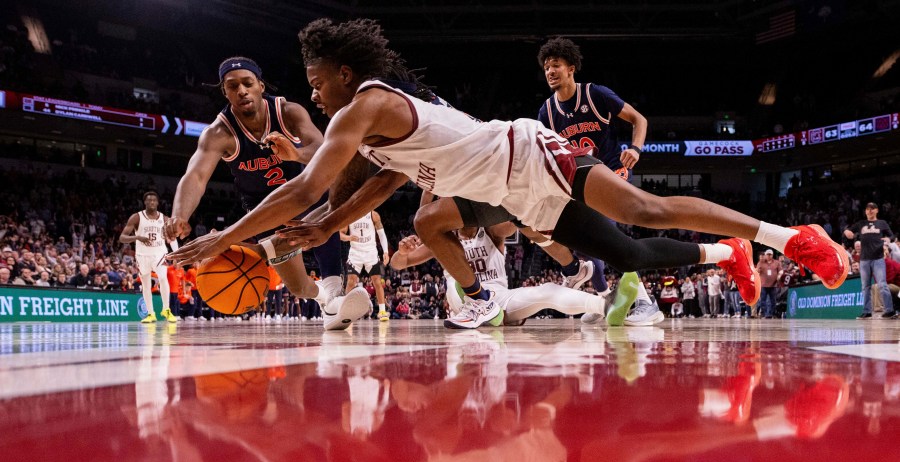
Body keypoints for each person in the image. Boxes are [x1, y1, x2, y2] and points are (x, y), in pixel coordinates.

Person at [168, 17, 849, 329]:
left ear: (344, 74)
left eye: (317, 82)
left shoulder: (365, 102)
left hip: (527, 154)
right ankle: (724, 252)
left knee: (643, 209)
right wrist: (313, 232)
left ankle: (790, 236)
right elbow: (377, 185)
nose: (312, 94)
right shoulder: (368, 131)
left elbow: (308, 185)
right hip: (510, 191)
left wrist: (220, 237)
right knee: (630, 248)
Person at [164, 56, 370, 331]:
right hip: (265, 211)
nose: (241, 91)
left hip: (305, 193)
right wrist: (180, 215)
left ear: (260, 85)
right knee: (298, 287)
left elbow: (325, 151)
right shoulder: (218, 133)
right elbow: (196, 176)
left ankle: (335, 293)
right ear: (224, 92)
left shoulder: (288, 112)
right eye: (232, 86)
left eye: (248, 83)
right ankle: (324, 297)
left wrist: (295, 153)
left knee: (324, 197)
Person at [536, 36, 664, 327]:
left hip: (612, 172)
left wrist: (636, 148)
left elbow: (639, 119)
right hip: (580, 181)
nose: (550, 72)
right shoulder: (547, 112)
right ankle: (606, 297)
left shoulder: (596, 94)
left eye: (555, 65)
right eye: (546, 68)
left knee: (607, 236)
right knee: (589, 243)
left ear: (571, 68)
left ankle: (645, 301)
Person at [390, 224, 610, 327]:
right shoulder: (443, 240)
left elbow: (514, 222)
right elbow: (398, 264)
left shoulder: (492, 232)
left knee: (547, 291)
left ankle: (607, 306)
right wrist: (402, 253)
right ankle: (484, 308)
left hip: (499, 297)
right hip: (465, 302)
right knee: (454, 284)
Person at [119, 191, 178, 323]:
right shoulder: (137, 217)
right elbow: (122, 237)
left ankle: (166, 309)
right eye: (149, 200)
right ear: (145, 202)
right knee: (145, 284)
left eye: (154, 200)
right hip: (142, 255)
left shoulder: (165, 219)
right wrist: (138, 237)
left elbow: (172, 238)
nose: (151, 202)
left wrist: (176, 254)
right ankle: (151, 313)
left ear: (157, 203)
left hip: (159, 253)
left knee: (163, 278)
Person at [843, 202, 896, 319]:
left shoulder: (882, 223)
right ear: (865, 211)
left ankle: (889, 310)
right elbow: (849, 232)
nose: (870, 211)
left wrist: (888, 239)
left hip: (878, 258)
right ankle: (867, 312)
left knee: (882, 284)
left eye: (872, 209)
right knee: (865, 286)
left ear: (877, 210)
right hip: (864, 259)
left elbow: (892, 236)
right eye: (867, 209)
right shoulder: (861, 223)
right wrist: (847, 232)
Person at [341, 210, 391, 320]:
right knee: (350, 282)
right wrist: (349, 238)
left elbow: (381, 234)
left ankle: (382, 311)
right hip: (355, 252)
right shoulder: (349, 215)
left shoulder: (373, 214)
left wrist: (386, 251)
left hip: (370, 252)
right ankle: (346, 312)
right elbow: (340, 234)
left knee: (377, 281)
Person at [756, 249, 781, 318]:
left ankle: (772, 314)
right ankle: (763, 313)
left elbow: (780, 271)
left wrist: (779, 276)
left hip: (773, 285)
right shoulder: (761, 262)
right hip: (763, 284)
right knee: (762, 300)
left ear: (772, 255)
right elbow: (757, 271)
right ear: (765, 255)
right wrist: (758, 270)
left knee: (773, 300)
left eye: (770, 254)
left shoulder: (776, 262)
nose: (769, 256)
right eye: (767, 254)